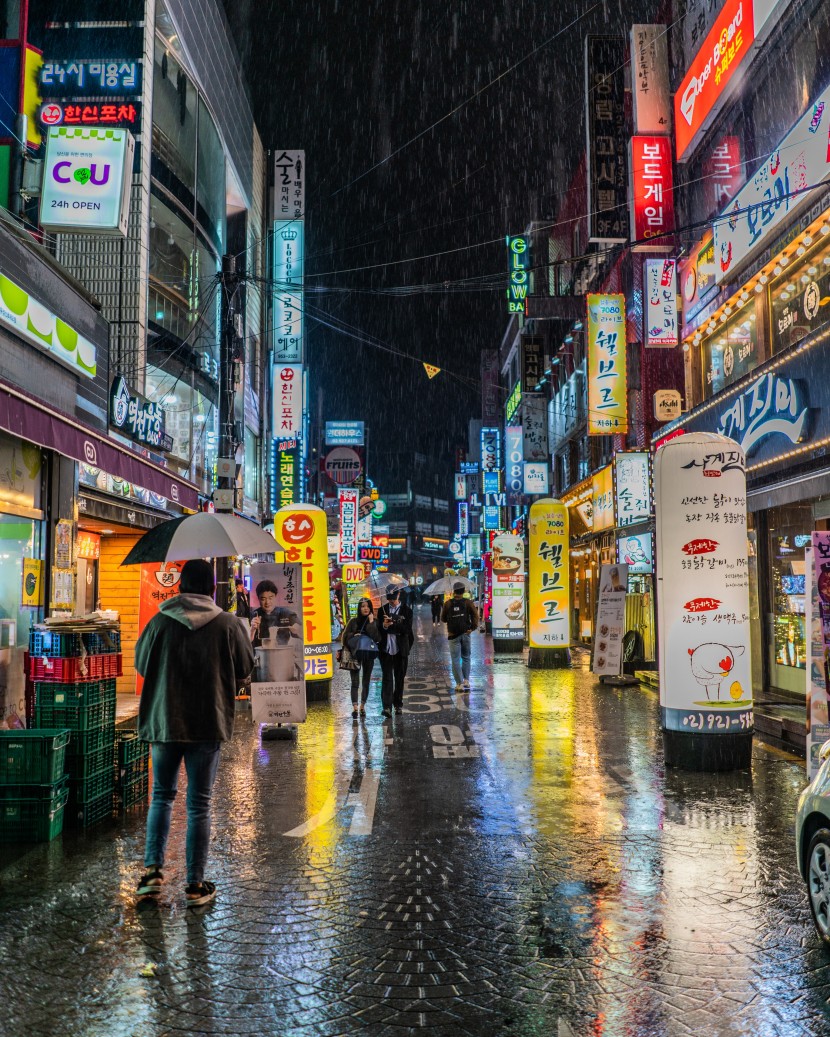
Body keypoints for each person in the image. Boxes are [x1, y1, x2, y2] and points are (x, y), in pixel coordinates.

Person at [134, 559, 254, 907]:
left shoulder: (159, 621)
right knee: (199, 804)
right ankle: (194, 884)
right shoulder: (229, 625)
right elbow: (246, 668)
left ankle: (152, 875)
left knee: (162, 796)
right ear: (213, 590)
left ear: (179, 587)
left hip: (164, 721)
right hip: (207, 722)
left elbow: (142, 664)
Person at [339, 598, 379, 719]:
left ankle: (362, 706)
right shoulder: (353, 622)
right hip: (354, 655)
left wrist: (371, 623)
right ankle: (355, 707)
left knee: (366, 681)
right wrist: (353, 635)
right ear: (359, 608)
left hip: (368, 655)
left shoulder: (374, 621)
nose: (365, 608)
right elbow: (344, 638)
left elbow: (377, 638)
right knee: (355, 682)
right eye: (362, 606)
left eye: (367, 606)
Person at [377, 584, 414, 717]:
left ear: (398, 595)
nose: (391, 601)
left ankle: (398, 704)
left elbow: (407, 630)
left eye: (393, 597)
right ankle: (386, 707)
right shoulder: (382, 610)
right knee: (387, 678)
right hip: (386, 649)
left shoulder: (407, 611)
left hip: (400, 650)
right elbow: (379, 630)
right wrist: (384, 626)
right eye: (389, 598)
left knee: (399, 678)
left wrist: (394, 623)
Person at [441, 582, 479, 691]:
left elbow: (443, 619)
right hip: (466, 634)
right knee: (466, 657)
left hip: (453, 635)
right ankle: (466, 680)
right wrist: (472, 628)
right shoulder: (468, 602)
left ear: (454, 591)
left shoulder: (448, 604)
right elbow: (475, 615)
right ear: (463, 591)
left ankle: (459, 683)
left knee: (455, 659)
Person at [250, 578, 301, 647]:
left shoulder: (286, 613)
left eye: (270, 598)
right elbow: (245, 643)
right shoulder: (253, 615)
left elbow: (304, 635)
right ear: (258, 599)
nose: (267, 602)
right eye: (263, 599)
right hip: (260, 654)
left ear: (275, 597)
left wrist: (298, 630)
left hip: (281, 653)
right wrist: (252, 630)